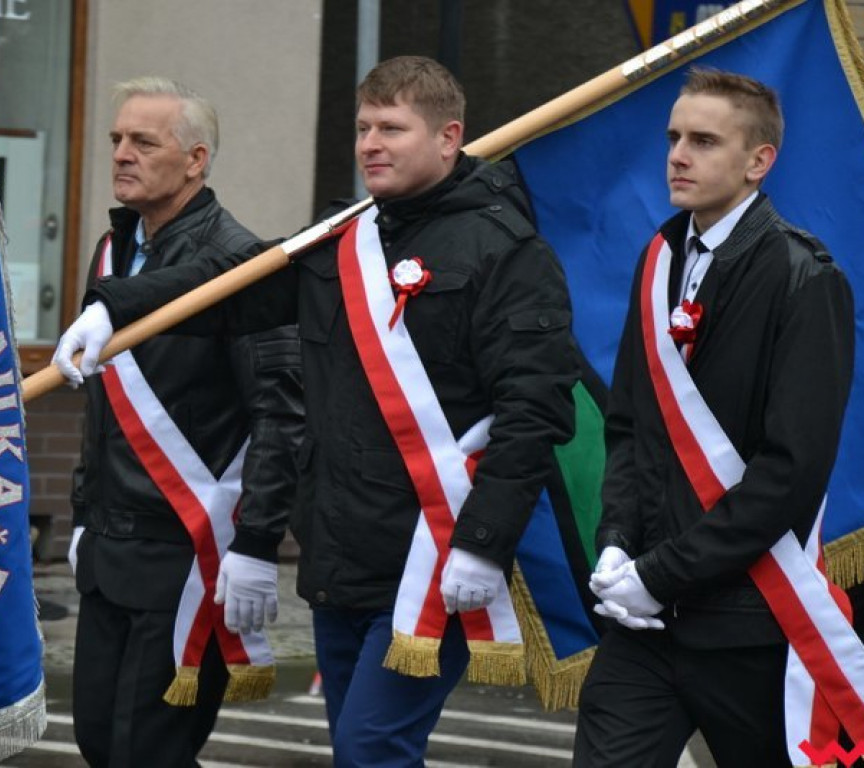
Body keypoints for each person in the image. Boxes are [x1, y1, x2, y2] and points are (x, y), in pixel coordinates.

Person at [55, 56, 578, 766]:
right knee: (358, 750)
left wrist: (483, 542)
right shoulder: (345, 237)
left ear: (449, 137)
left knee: (371, 750)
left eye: (391, 128)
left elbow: (534, 411)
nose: (370, 144)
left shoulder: (506, 251)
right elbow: (233, 282)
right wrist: (113, 306)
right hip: (340, 556)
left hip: (432, 557)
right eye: (363, 128)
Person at [573, 68, 857, 766]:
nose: (677, 155)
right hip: (645, 631)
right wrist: (617, 540)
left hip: (749, 624)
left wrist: (662, 573)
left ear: (759, 161)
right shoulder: (659, 260)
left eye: (703, 141)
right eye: (673, 138)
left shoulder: (805, 278)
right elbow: (630, 427)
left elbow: (790, 472)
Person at [52, 77, 303, 768]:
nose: (121, 154)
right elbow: (104, 405)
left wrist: (257, 541)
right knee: (98, 741)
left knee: (148, 752)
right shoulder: (115, 251)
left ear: (195, 160)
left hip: (186, 554)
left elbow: (281, 412)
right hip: (110, 549)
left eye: (144, 142)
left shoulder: (240, 261)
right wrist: (83, 513)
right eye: (116, 139)